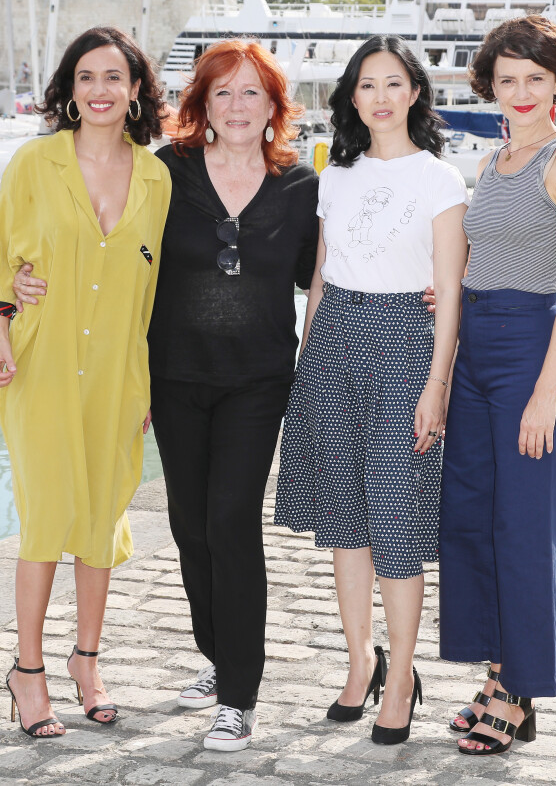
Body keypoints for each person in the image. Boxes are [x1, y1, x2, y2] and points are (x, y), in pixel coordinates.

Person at [275, 34, 468, 745]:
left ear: (415, 91)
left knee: (395, 521)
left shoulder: (441, 180)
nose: (380, 96)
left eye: (393, 83)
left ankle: (403, 673)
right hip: (333, 344)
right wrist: (305, 366)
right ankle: (360, 660)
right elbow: (321, 277)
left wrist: (437, 384)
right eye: (366, 84)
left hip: (403, 349)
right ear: (350, 96)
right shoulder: (337, 173)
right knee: (346, 521)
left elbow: (447, 291)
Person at [147, 41, 318, 751]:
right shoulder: (168, 171)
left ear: (274, 105)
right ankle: (218, 657)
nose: (238, 106)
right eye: (223, 93)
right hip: (175, 375)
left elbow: (326, 272)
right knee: (190, 526)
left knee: (230, 521)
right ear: (202, 104)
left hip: (257, 378)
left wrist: (431, 285)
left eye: (252, 93)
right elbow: (114, 252)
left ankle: (240, 694)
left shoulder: (301, 184)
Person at [0, 26, 171, 738]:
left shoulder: (158, 179)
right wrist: (4, 317)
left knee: (100, 516)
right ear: (70, 91)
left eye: (114, 77)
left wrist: (153, 383)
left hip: (118, 374)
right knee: (45, 514)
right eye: (86, 77)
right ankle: (28, 670)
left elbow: (163, 290)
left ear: (136, 91)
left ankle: (87, 661)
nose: (100, 90)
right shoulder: (34, 163)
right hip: (40, 362)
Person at [439, 15, 556, 756]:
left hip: (531, 353)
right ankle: (496, 674)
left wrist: (544, 392)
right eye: (507, 78)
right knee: (473, 521)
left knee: (525, 530)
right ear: (489, 85)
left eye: (535, 77)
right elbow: (473, 261)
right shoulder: (490, 163)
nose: (521, 91)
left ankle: (521, 692)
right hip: (473, 355)